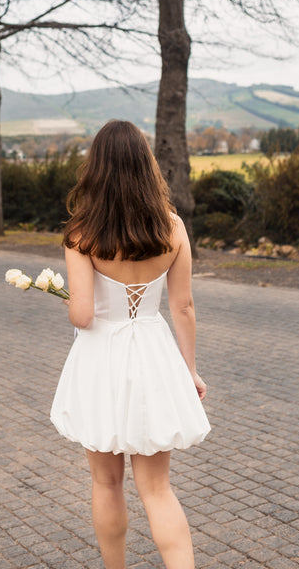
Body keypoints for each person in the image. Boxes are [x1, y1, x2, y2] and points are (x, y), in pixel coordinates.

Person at [50, 120, 211, 569]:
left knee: (106, 484)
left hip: (101, 360)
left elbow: (82, 315)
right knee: (158, 489)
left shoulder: (81, 234)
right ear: (147, 165)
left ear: (95, 169)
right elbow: (183, 307)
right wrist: (190, 370)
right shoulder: (173, 227)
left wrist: (65, 295)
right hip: (155, 356)